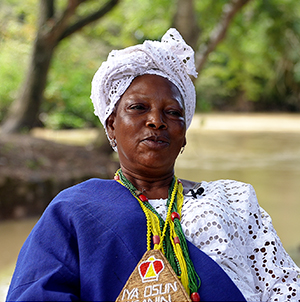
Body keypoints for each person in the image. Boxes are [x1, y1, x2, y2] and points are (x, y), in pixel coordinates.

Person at [6, 28, 300, 302]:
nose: (156, 121)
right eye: (138, 108)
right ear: (111, 126)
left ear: (183, 134)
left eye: (172, 112)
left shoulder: (235, 200)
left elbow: (284, 289)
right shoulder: (73, 210)